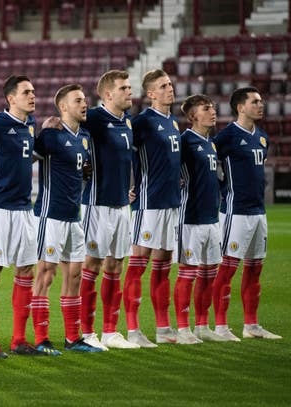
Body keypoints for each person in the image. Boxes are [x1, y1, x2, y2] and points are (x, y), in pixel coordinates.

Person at [31, 84, 102, 354]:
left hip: (74, 216)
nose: (85, 104)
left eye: (84, 100)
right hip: (51, 215)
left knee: (74, 274)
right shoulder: (51, 134)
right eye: (78, 101)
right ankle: (40, 339)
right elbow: (28, 158)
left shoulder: (83, 136)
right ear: (63, 107)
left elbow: (79, 169)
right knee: (46, 274)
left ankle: (73, 338)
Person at [0, 75, 40, 358]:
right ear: (11, 98)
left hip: (25, 209)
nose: (32, 96)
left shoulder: (31, 124)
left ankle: (19, 340)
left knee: (26, 270)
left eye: (33, 91)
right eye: (26, 92)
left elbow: (27, 156)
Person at [212, 87, 281, 341]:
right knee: (228, 269)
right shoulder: (227, 136)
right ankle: (220, 327)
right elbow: (208, 162)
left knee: (254, 269)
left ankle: (251, 326)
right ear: (240, 107)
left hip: (258, 212)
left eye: (261, 101)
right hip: (235, 212)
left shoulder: (262, 137)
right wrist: (222, 189)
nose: (260, 105)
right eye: (255, 102)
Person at [77, 70, 139, 350]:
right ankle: (87, 332)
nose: (130, 92)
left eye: (130, 87)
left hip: (121, 205)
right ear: (107, 94)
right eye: (124, 88)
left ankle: (111, 331)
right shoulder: (94, 119)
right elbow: (65, 129)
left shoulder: (126, 122)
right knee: (91, 265)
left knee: (115, 266)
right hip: (96, 204)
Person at [123, 69, 180, 347]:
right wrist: (126, 185)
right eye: (163, 86)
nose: (170, 89)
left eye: (170, 84)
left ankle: (163, 328)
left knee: (164, 266)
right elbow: (120, 152)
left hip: (171, 203)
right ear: (151, 94)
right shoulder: (142, 122)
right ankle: (133, 330)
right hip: (149, 203)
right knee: (138, 266)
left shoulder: (173, 121)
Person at [174, 94, 229, 344]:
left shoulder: (211, 143)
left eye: (214, 108)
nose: (213, 112)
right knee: (188, 274)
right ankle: (183, 328)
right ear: (193, 115)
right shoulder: (184, 141)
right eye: (207, 109)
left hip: (212, 217)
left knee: (209, 274)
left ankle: (202, 325)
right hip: (191, 217)